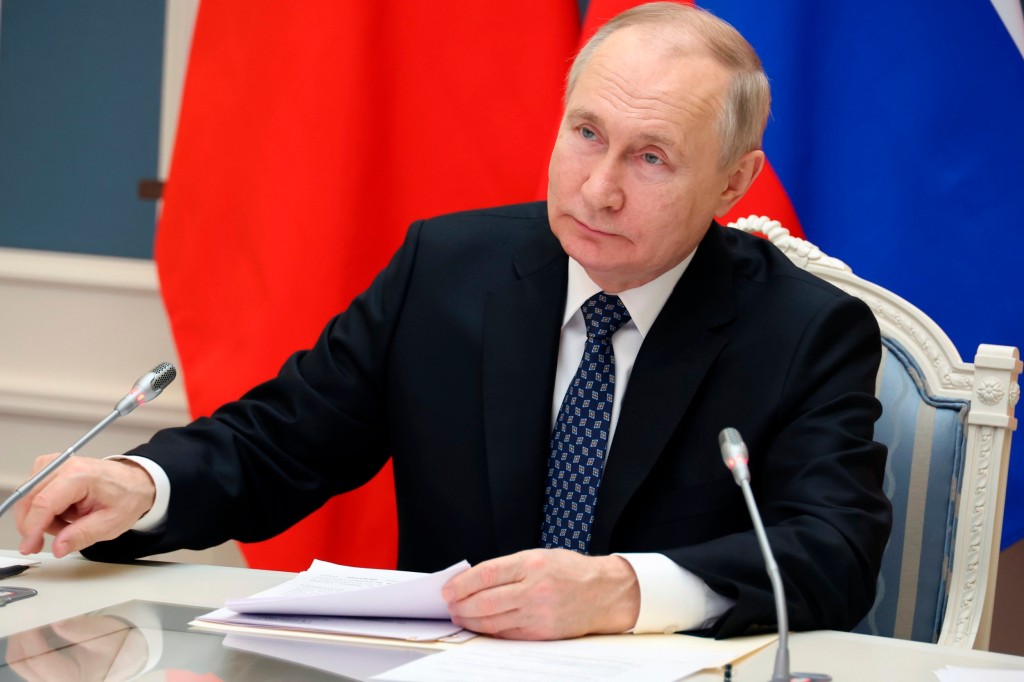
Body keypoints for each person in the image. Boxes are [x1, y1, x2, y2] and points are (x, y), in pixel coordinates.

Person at [15, 2, 891, 640]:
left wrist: (624, 591)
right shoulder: (449, 271)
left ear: (733, 185)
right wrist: (145, 487)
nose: (599, 188)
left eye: (651, 157)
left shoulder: (803, 328)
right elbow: (280, 442)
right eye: (586, 133)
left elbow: (833, 551)